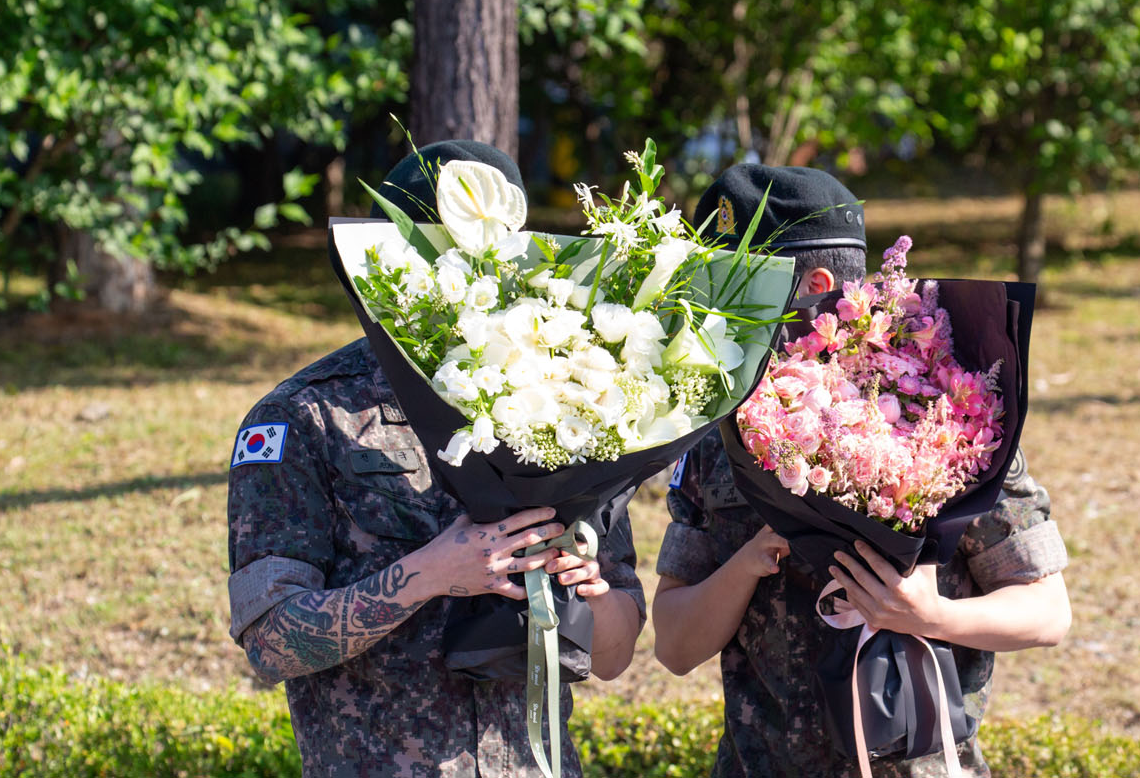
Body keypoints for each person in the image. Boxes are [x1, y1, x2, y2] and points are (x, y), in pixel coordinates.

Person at [227, 140, 646, 778]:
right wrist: (429, 574)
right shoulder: (305, 416)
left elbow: (614, 655)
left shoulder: (568, 406)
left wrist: (584, 589)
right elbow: (270, 642)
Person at [649, 164, 1071, 777]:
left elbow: (1048, 612)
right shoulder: (726, 433)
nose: (711, 309)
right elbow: (674, 645)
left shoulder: (951, 416)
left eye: (733, 283)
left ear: (813, 286)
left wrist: (931, 616)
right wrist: (748, 560)